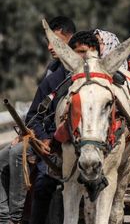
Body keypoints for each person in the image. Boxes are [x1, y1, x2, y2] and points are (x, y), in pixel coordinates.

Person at [0, 17, 75, 224]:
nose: (50, 47)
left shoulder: (83, 75)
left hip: (64, 143)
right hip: (44, 139)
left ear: (70, 40)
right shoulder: (52, 73)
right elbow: (34, 114)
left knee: (18, 156)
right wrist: (36, 136)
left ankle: (16, 217)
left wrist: (51, 139)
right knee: (2, 158)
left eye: (56, 41)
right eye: (48, 41)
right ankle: (5, 218)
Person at [27, 31, 101, 224]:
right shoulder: (53, 82)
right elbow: (33, 117)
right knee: (43, 186)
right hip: (57, 146)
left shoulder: (103, 84)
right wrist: (44, 138)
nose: (83, 59)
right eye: (79, 53)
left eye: (88, 54)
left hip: (95, 148)